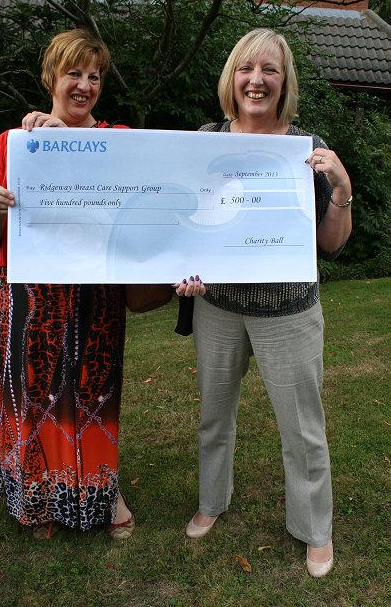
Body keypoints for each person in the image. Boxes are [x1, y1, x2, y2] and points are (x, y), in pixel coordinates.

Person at [175, 28, 352, 578]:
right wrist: (183, 270)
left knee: (302, 428)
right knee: (213, 417)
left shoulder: (306, 148)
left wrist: (341, 186)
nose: (257, 79)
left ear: (284, 81)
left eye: (269, 70)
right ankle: (211, 501)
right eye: (246, 68)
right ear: (233, 76)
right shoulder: (204, 140)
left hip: (290, 312)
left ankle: (314, 529)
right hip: (218, 308)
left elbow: (332, 243)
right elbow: (184, 223)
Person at [0, 28, 135, 540]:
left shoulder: (117, 140)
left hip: (95, 289)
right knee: (35, 391)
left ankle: (103, 492)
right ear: (51, 79)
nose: (84, 85)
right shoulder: (16, 144)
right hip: (30, 290)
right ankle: (38, 494)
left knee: (92, 393)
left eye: (94, 76)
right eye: (74, 73)